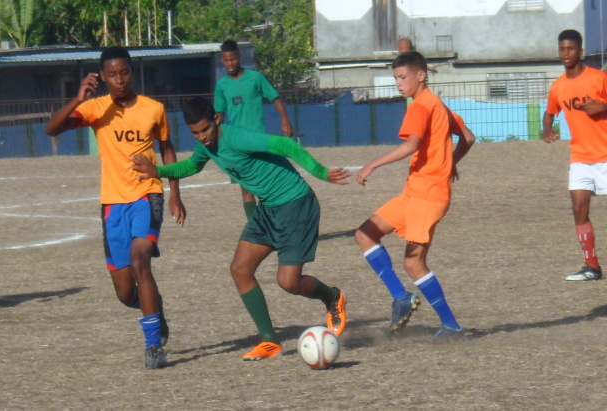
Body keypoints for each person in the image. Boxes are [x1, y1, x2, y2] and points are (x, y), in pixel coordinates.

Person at [130, 97, 348, 361]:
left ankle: (332, 296)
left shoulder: (238, 138)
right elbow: (191, 165)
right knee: (240, 269)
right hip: (269, 208)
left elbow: (285, 144)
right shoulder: (206, 146)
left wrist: (321, 172)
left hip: (295, 204)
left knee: (288, 282)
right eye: (195, 133)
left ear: (217, 120)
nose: (202, 137)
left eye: (205, 130)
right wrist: (158, 171)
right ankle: (269, 340)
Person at [45, 46, 186, 369]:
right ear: (103, 77)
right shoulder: (95, 109)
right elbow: (51, 129)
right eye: (112, 75)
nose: (120, 80)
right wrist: (78, 98)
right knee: (124, 293)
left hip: (147, 195)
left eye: (124, 73)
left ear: (131, 73)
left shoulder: (154, 108)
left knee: (141, 262)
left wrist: (174, 191)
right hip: (112, 204)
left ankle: (153, 347)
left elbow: (167, 149)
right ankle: (153, 309)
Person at [354, 51, 475, 340]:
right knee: (365, 233)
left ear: (421, 75)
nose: (398, 83)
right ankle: (401, 298)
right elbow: (468, 137)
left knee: (413, 263)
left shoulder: (421, 106)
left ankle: (452, 326)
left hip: (428, 196)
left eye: (402, 77)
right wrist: (450, 162)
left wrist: (373, 163)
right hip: (414, 193)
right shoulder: (438, 105)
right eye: (396, 77)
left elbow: (412, 145)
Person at [543, 29, 607, 281]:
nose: (565, 54)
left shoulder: (598, 78)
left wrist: (604, 106)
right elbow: (549, 113)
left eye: (570, 49)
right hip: (580, 158)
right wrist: (548, 130)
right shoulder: (558, 86)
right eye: (562, 49)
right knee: (579, 207)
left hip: (605, 155)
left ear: (580, 51)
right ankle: (592, 267)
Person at [214, 39, 294, 220]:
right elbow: (220, 113)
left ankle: (277, 222)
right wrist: (216, 121)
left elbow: (275, 98)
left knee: (268, 185)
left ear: (239, 57)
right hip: (237, 144)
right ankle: (256, 228)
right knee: (247, 189)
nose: (230, 64)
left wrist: (285, 119)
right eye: (226, 61)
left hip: (258, 140)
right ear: (222, 60)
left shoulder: (255, 78)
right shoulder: (221, 86)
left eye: (233, 59)